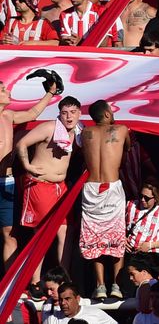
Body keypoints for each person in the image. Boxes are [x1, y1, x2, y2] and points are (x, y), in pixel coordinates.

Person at [17, 96, 83, 273]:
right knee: (41, 235)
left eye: (73, 112)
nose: (69, 117)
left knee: (66, 232)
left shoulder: (79, 132)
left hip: (60, 187)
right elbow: (21, 143)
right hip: (40, 184)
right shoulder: (49, 127)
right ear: (59, 114)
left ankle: (63, 277)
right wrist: (27, 165)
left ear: (80, 113)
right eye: (64, 113)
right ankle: (35, 281)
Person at [0, 72, 58, 265]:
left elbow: (33, 113)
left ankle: (8, 283)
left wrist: (50, 93)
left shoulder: (8, 115)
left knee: (10, 233)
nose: (8, 91)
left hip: (7, 182)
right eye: (2, 90)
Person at [78, 100, 130, 299]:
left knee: (95, 235)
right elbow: (128, 148)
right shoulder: (122, 129)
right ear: (107, 114)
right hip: (112, 186)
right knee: (117, 234)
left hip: (91, 189)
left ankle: (100, 285)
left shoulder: (85, 133)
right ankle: (116, 284)